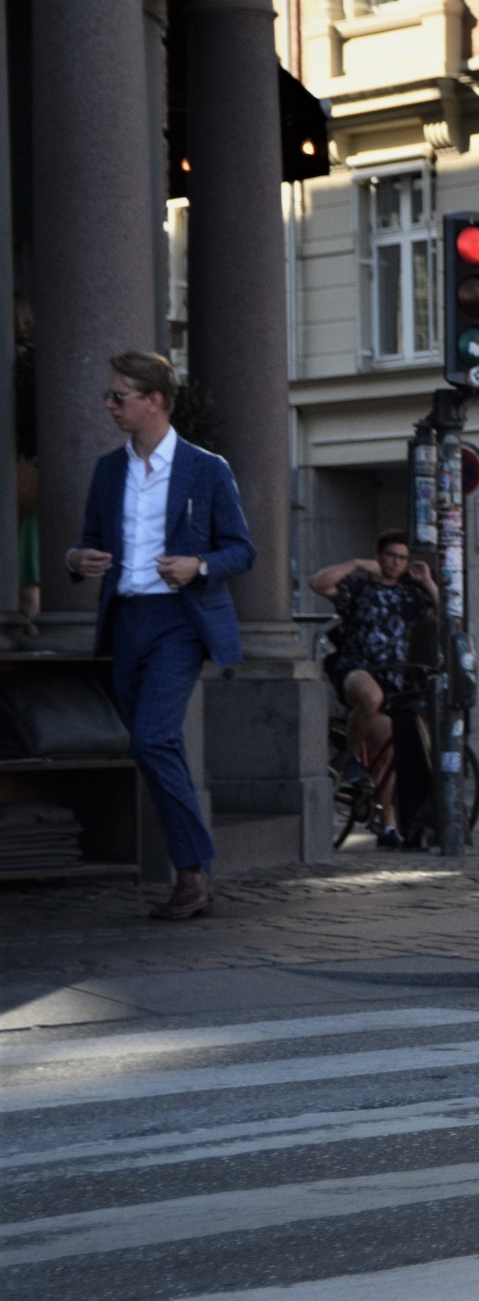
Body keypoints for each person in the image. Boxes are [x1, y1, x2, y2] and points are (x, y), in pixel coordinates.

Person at [63, 352, 254, 919]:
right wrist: (77, 559)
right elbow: (88, 540)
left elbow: (242, 549)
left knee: (151, 739)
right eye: (110, 395)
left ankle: (193, 875)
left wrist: (199, 565)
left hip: (179, 623)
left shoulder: (206, 468)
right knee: (155, 744)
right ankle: (195, 872)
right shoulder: (107, 470)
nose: (109, 405)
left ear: (155, 400)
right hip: (125, 621)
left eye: (120, 396)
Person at [309, 532, 439, 849]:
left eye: (401, 557)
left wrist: (429, 583)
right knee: (370, 697)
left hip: (392, 679)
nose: (395, 562)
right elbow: (318, 583)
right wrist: (355, 564)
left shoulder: (409, 596)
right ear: (378, 555)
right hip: (353, 668)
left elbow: (447, 618)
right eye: (390, 555)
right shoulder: (359, 586)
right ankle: (350, 761)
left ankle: (388, 826)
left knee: (389, 753)